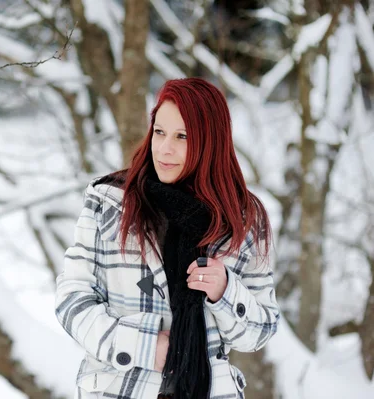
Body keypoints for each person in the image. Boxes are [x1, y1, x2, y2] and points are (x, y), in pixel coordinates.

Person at [54, 77, 280, 399]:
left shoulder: (243, 218)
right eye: (159, 132)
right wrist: (144, 345)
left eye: (182, 136)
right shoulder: (109, 202)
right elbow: (72, 299)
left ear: (209, 142)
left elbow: (261, 330)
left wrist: (225, 291)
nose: (165, 149)